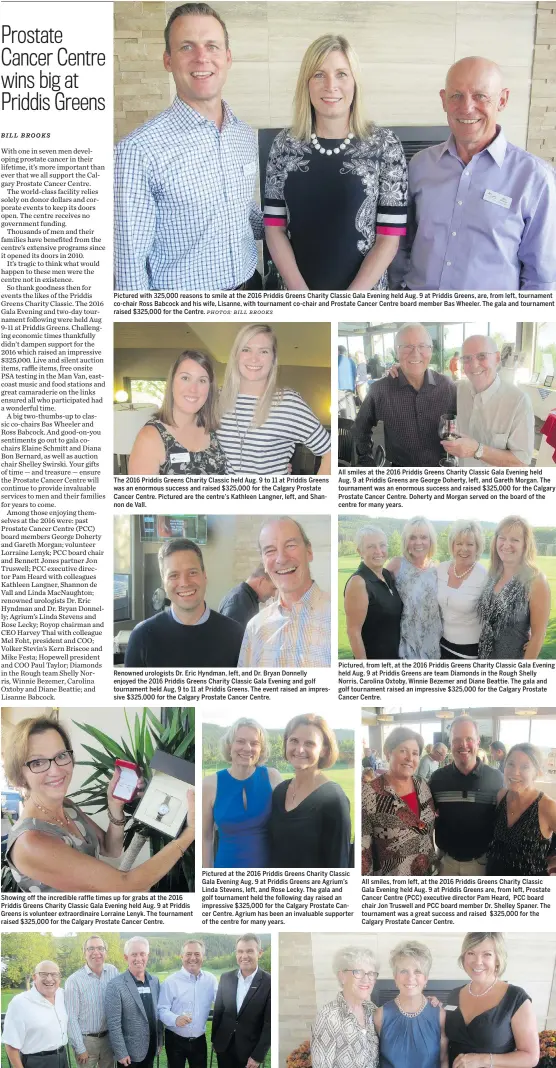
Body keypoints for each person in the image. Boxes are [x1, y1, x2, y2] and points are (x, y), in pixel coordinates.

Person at [114, 3, 262, 291]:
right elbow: (130, 266)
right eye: (186, 47)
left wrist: (299, 222)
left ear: (228, 57)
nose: (201, 58)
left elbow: (242, 212)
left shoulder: (243, 135)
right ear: (168, 60)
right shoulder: (137, 151)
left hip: (252, 288)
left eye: (212, 46)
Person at [391, 57, 556, 291]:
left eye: (480, 96)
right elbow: (400, 245)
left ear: (502, 100)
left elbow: (541, 279)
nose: (467, 107)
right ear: (443, 100)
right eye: (456, 95)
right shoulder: (419, 164)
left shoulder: (536, 178)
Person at [264, 34, 407, 290]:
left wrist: (347, 304)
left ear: (355, 82)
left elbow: (389, 238)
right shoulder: (283, 145)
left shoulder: (385, 145)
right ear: (306, 84)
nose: (331, 85)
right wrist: (302, 296)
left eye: (341, 74)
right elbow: (274, 228)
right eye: (319, 74)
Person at [3, 714, 195, 892]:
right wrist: (190, 834)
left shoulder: (66, 806)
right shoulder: (31, 842)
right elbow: (125, 887)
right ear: (19, 774)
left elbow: (111, 849)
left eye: (61, 756)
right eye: (37, 762)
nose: (56, 770)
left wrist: (114, 805)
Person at [216, 324, 331, 475]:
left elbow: (330, 451)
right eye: (246, 349)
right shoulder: (218, 398)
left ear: (273, 359)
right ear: (236, 355)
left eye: (263, 351)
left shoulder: (288, 403)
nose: (254, 358)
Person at [124, 538, 244, 668]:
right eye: (174, 575)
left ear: (204, 576)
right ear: (163, 582)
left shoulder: (235, 635)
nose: (185, 583)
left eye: (192, 572)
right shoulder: (142, 637)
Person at [354, 325, 456, 467]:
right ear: (397, 351)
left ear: (431, 350)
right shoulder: (380, 390)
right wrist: (366, 458)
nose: (415, 353)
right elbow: (360, 429)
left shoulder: (447, 386)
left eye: (422, 346)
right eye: (407, 346)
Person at [238, 517, 330, 667]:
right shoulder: (255, 628)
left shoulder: (335, 616)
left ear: (309, 551)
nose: (281, 558)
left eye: (291, 545)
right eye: (270, 550)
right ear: (264, 563)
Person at [445, 933, 539, 1068]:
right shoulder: (454, 995)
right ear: (463, 957)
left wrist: (483, 1060)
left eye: (487, 954)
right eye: (471, 953)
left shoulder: (516, 998)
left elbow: (530, 1057)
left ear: (497, 959)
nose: (477, 961)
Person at [268, 714, 351, 868]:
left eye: (309, 743)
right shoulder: (279, 792)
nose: (300, 749)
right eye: (294, 741)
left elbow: (339, 864)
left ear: (324, 751)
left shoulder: (334, 800)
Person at [127, 350, 227, 475]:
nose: (193, 389)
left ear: (209, 388)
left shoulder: (215, 430)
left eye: (202, 381)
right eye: (185, 378)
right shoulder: (150, 437)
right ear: (172, 382)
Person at [441, 336, 534, 466]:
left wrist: (478, 450)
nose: (474, 365)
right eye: (467, 358)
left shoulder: (519, 401)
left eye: (481, 356)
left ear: (497, 358)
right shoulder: (457, 389)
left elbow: (521, 462)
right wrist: (403, 369)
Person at [202, 718, 282, 868]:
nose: (247, 748)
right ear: (229, 745)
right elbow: (205, 837)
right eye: (240, 741)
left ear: (261, 749)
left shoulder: (273, 777)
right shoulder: (209, 785)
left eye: (254, 743)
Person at [429, 718, 503, 875]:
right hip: (445, 864)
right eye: (457, 740)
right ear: (450, 744)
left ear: (477, 742)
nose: (463, 745)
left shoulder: (496, 778)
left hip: (481, 864)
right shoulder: (437, 779)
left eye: (469, 739)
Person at [362, 727, 436, 875]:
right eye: (403, 751)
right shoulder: (369, 793)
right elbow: (363, 853)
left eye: (415, 753)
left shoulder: (423, 786)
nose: (410, 758)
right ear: (389, 753)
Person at [477, 516, 551, 659]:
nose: (506, 544)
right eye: (502, 538)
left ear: (525, 545)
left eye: (515, 540)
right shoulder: (493, 575)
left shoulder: (535, 580)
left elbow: (538, 636)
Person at [374, 941, 448, 1068]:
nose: (410, 978)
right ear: (395, 977)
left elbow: (444, 1060)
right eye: (404, 971)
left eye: (417, 971)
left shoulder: (439, 1014)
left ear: (426, 979)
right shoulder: (380, 1015)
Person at [486, 743, 556, 876]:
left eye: (525, 767)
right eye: (510, 764)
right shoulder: (501, 795)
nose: (515, 772)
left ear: (536, 772)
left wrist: (550, 864)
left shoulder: (547, 806)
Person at [310, 945, 379, 1068]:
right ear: (342, 976)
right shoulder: (328, 1016)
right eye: (358, 972)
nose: (366, 979)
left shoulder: (372, 1009)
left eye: (371, 973)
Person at [211, 935, 271, 1068]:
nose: (244, 956)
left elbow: (269, 1024)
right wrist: (215, 1040)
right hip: (224, 1048)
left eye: (249, 951)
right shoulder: (226, 978)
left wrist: (257, 1056)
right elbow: (218, 1011)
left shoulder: (269, 982)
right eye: (240, 951)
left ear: (259, 953)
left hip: (249, 1053)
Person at [344, 526, 403, 659]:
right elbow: (353, 632)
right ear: (360, 551)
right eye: (371, 547)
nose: (378, 551)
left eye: (382, 545)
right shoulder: (359, 582)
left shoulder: (387, 575)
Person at [158, 940, 218, 1068]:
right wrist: (175, 1019)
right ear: (182, 957)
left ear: (203, 957)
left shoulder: (211, 980)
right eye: (188, 954)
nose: (192, 958)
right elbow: (161, 1009)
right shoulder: (170, 981)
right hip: (175, 1039)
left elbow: (222, 1005)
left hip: (199, 1040)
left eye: (197, 954)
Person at [388, 517, 442, 659]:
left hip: (433, 645)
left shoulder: (437, 569)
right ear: (406, 541)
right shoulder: (396, 565)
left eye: (424, 537)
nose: (418, 542)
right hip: (405, 645)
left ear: (431, 541)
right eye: (412, 537)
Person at [106, 938, 162, 1068]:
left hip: (151, 1048)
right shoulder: (115, 985)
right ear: (126, 957)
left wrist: (159, 1041)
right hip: (129, 1055)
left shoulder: (154, 981)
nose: (139, 958)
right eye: (134, 954)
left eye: (142, 954)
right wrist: (121, 1052)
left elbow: (158, 1014)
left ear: (147, 956)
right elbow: (113, 1024)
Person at [436, 520, 489, 659]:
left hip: (468, 652)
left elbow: (498, 611)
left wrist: (528, 631)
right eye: (459, 543)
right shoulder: (440, 569)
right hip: (440, 647)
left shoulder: (485, 576)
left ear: (477, 547)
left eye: (470, 544)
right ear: (452, 546)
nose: (463, 549)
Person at [2, 961, 68, 1068]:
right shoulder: (20, 1002)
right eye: (44, 974)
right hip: (37, 1062)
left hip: (62, 1058)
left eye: (54, 974)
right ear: (34, 977)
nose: (49, 978)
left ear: (59, 978)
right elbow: (11, 1045)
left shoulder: (62, 995)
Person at [65, 936, 118, 1068]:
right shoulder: (74, 981)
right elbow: (71, 1017)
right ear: (84, 953)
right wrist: (80, 1048)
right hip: (86, 1041)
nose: (96, 952)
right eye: (91, 948)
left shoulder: (113, 971)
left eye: (100, 948)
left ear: (106, 952)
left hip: (108, 1039)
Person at [338, 345, 357, 420]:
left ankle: (344, 421)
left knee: (342, 405)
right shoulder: (351, 361)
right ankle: (354, 419)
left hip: (339, 386)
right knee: (351, 404)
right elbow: (355, 374)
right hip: (349, 386)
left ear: (338, 351)